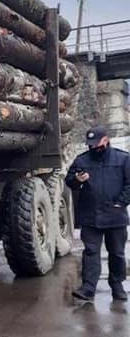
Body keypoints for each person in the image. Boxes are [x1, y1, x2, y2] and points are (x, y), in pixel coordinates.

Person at [66, 126, 130, 301]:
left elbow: (129, 184)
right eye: (90, 144)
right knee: (91, 252)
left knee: (117, 252)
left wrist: (121, 202)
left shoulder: (123, 159)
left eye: (96, 143)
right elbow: (69, 181)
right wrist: (77, 180)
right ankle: (88, 288)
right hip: (91, 215)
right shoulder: (81, 160)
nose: (93, 147)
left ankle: (117, 286)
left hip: (116, 216)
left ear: (105, 140)